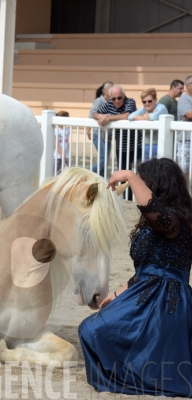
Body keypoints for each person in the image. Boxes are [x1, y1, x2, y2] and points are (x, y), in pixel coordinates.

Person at [79, 158, 192, 397]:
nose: (138, 185)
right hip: (143, 292)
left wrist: (131, 176)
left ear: (157, 184)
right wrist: (118, 292)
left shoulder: (175, 222)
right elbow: (144, 269)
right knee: (91, 329)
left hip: (167, 302)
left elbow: (157, 215)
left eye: (143, 182)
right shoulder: (155, 224)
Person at [94, 85, 141, 199]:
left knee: (139, 173)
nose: (116, 101)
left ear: (124, 96)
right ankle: (127, 198)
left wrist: (108, 118)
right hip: (121, 146)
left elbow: (126, 116)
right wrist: (101, 116)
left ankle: (140, 197)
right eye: (113, 98)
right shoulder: (109, 103)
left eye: (119, 98)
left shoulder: (130, 101)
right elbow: (94, 114)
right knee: (123, 174)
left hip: (136, 146)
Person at [87, 81, 113, 176]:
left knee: (105, 161)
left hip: (107, 134)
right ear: (104, 91)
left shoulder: (112, 102)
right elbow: (92, 114)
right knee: (103, 160)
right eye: (110, 88)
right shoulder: (99, 101)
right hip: (98, 133)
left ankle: (100, 180)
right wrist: (88, 129)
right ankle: (87, 173)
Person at [176, 75, 192, 179]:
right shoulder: (184, 99)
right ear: (187, 86)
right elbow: (189, 114)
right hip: (185, 140)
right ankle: (185, 192)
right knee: (184, 169)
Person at [54, 110, 70, 175]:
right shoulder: (56, 130)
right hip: (57, 155)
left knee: (65, 172)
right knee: (57, 172)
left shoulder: (67, 130)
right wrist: (61, 152)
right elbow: (55, 143)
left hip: (66, 154)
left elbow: (67, 141)